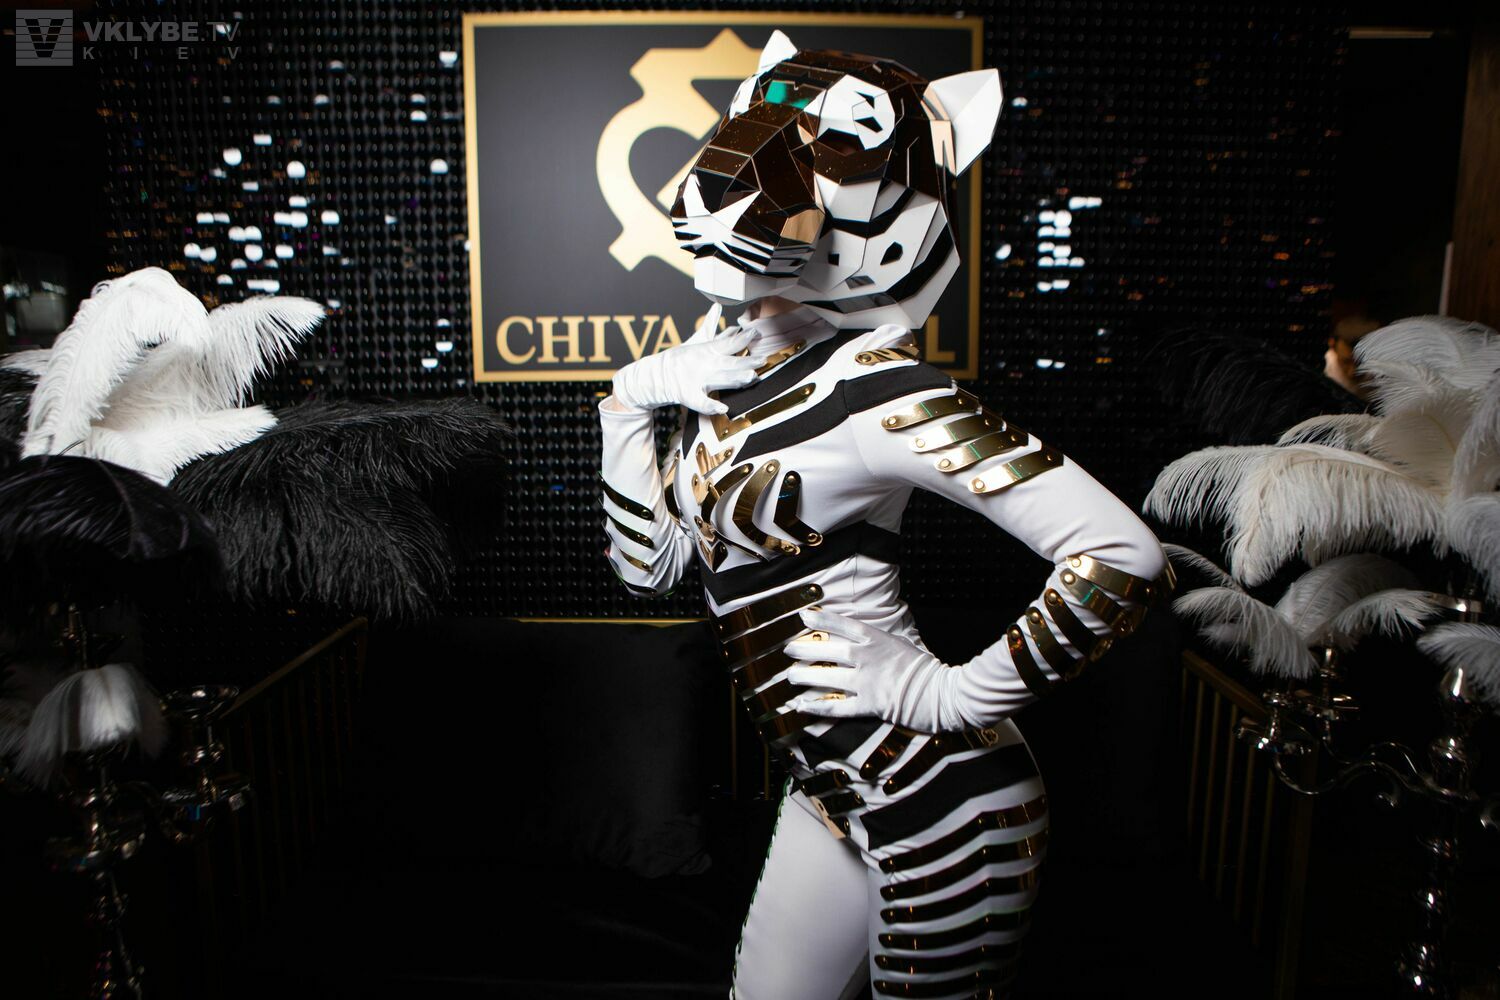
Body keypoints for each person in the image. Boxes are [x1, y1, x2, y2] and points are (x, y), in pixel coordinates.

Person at [597, 31, 1170, 1000]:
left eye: (839, 145)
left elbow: (1123, 553)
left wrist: (952, 696)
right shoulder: (720, 364)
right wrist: (627, 403)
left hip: (946, 806)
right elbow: (648, 572)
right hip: (830, 790)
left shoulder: (879, 388)